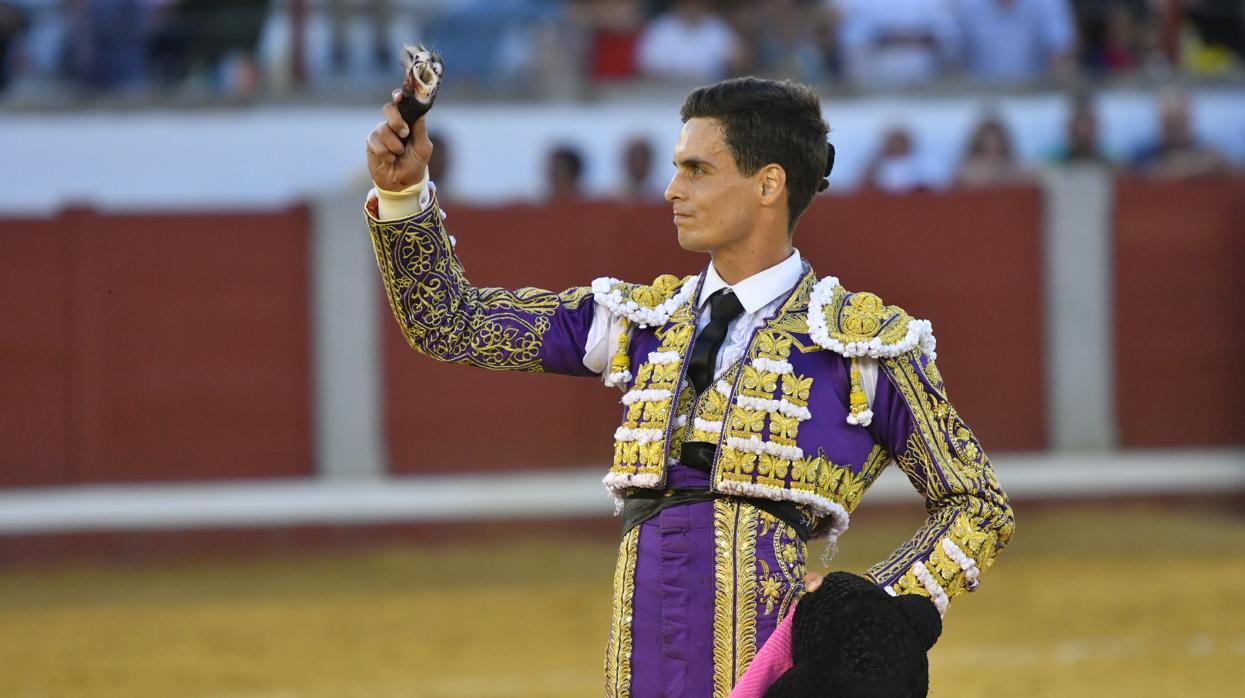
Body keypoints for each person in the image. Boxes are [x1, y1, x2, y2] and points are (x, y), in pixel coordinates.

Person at [364, 76, 1014, 696]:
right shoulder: (641, 321)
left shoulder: (857, 342)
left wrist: (870, 612)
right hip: (642, 646)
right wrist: (403, 196)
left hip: (774, 664)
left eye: (696, 170)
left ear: (767, 184)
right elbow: (451, 323)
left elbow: (975, 502)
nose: (672, 190)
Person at [954, 115, 1036, 188]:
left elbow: (1029, 177)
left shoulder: (1012, 166)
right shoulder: (969, 168)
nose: (992, 145)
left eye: (996, 141)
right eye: (988, 142)